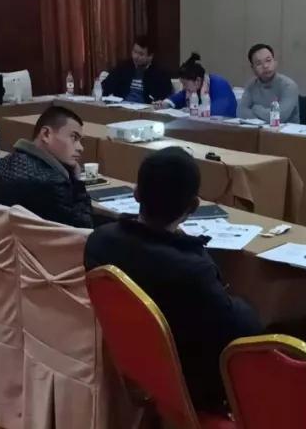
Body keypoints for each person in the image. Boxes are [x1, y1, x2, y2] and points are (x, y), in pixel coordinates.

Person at [84, 147, 262, 413]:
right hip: (190, 388)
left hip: (130, 365)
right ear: (193, 206)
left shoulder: (99, 240)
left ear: (136, 194)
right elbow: (242, 328)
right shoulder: (193, 270)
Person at [0, 106, 92, 228]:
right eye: (74, 137)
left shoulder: (5, 162)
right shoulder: (53, 182)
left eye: (80, 140)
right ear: (46, 134)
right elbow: (84, 227)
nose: (80, 148)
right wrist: (77, 181)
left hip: (0, 238)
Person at [154, 53, 237, 117]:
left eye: (185, 84)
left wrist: (189, 111)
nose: (184, 87)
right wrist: (164, 104)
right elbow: (177, 98)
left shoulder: (219, 84)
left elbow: (218, 111)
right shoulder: (193, 89)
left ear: (197, 80)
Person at [238, 44, 300, 124]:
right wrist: (267, 116)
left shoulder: (289, 86)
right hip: (258, 130)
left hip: (285, 131)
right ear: (253, 68)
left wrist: (256, 108)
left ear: (275, 62)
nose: (265, 66)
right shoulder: (251, 85)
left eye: (268, 60)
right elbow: (241, 113)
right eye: (259, 63)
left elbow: (279, 117)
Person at [102, 35, 173, 103]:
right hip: (121, 106)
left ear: (150, 56)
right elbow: (106, 86)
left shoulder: (160, 73)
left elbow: (165, 96)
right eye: (134, 52)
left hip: (146, 109)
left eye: (141, 54)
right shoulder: (123, 67)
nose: (136, 56)